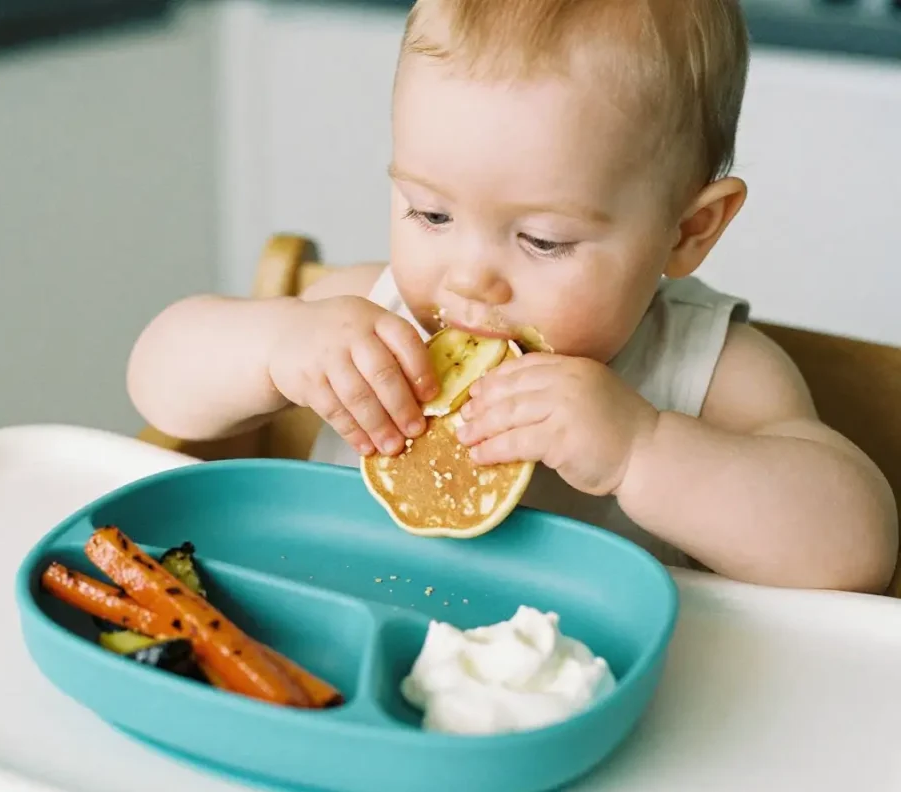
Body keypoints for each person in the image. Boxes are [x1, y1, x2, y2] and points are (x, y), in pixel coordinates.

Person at [125, 0, 897, 593]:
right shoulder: (371, 310)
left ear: (687, 231)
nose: (470, 280)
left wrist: (641, 448)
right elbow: (158, 382)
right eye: (431, 214)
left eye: (544, 241)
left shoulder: (708, 370)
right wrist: (277, 348)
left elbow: (854, 553)